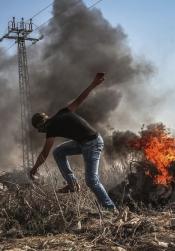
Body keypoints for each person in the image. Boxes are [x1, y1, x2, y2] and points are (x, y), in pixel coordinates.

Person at [29, 72, 117, 214]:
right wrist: (94, 84)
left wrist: (34, 169)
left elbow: (44, 153)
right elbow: (80, 99)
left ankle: (112, 209)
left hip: (92, 143)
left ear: (41, 125)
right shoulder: (61, 112)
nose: (41, 132)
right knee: (58, 152)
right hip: (84, 142)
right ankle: (72, 183)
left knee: (91, 180)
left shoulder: (51, 127)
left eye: (39, 129)